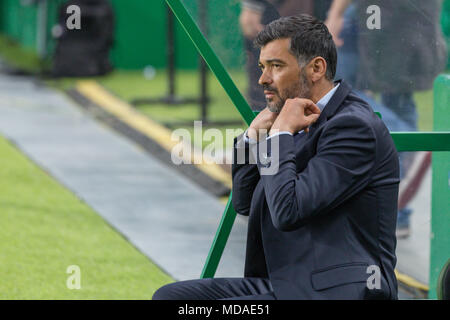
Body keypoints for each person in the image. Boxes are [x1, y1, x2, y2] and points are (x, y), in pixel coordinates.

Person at [153, 14, 400, 300]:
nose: (263, 79)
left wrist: (281, 134)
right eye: (262, 66)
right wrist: (252, 138)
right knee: (171, 298)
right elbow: (244, 201)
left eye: (276, 66)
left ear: (316, 68)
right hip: (286, 282)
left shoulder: (353, 127)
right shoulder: (291, 115)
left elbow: (288, 210)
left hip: (339, 291)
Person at [325, 0, 448, 238]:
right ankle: (396, 214)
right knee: (399, 98)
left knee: (337, 89)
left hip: (380, 16)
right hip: (415, 17)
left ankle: (403, 146)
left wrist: (336, 13)